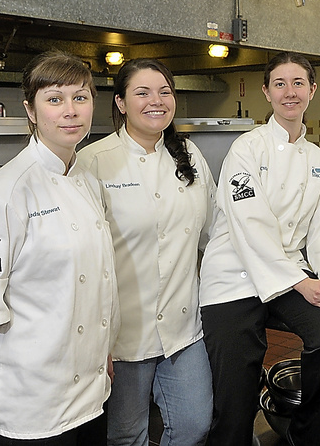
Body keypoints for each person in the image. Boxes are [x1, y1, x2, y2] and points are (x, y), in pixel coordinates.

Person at [0, 51, 119, 444]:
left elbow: (94, 285)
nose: (70, 111)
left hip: (90, 393)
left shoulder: (87, 182)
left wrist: (99, 351)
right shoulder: (3, 195)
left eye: (81, 97)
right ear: (30, 109)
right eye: (54, 99)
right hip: (31, 402)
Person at [199, 52, 320, 446]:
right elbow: (251, 225)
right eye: (280, 84)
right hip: (233, 276)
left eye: (298, 83)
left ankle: (307, 434)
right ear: (266, 92)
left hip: (290, 275)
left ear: (312, 90)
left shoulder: (318, 160)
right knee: (236, 402)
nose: (290, 92)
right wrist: (303, 283)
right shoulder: (246, 149)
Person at [77, 59, 214, 446]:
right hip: (122, 336)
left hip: (183, 326)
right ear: (120, 103)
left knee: (193, 424)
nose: (156, 101)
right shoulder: (93, 162)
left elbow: (215, 230)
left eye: (165, 92)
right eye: (142, 93)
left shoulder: (189, 155)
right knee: (126, 435)